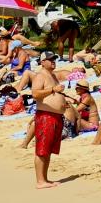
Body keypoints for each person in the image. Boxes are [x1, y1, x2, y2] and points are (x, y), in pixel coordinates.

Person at [29, 52, 67, 189]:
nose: (53, 61)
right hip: (46, 115)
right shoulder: (40, 76)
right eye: (50, 59)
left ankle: (44, 178)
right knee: (42, 149)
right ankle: (40, 181)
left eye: (54, 59)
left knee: (48, 149)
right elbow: (35, 94)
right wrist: (52, 90)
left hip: (56, 116)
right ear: (42, 62)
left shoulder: (53, 76)